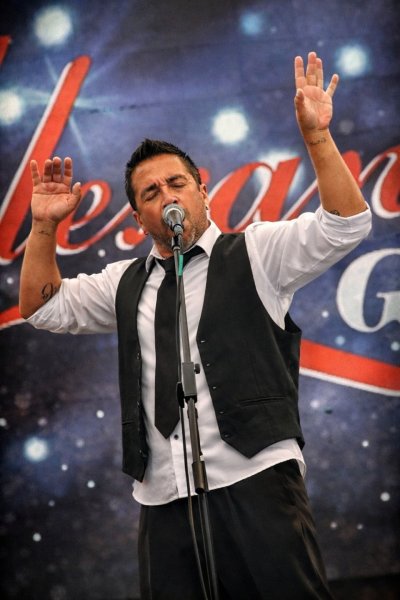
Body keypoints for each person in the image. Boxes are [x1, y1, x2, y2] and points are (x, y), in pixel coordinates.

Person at [20, 52, 371, 599]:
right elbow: (41, 306)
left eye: (176, 183)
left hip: (257, 480)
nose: (168, 196)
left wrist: (318, 137)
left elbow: (345, 225)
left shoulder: (256, 252)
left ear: (201, 190)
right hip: (163, 497)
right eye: (151, 193)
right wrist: (43, 225)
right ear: (138, 219)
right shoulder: (124, 282)